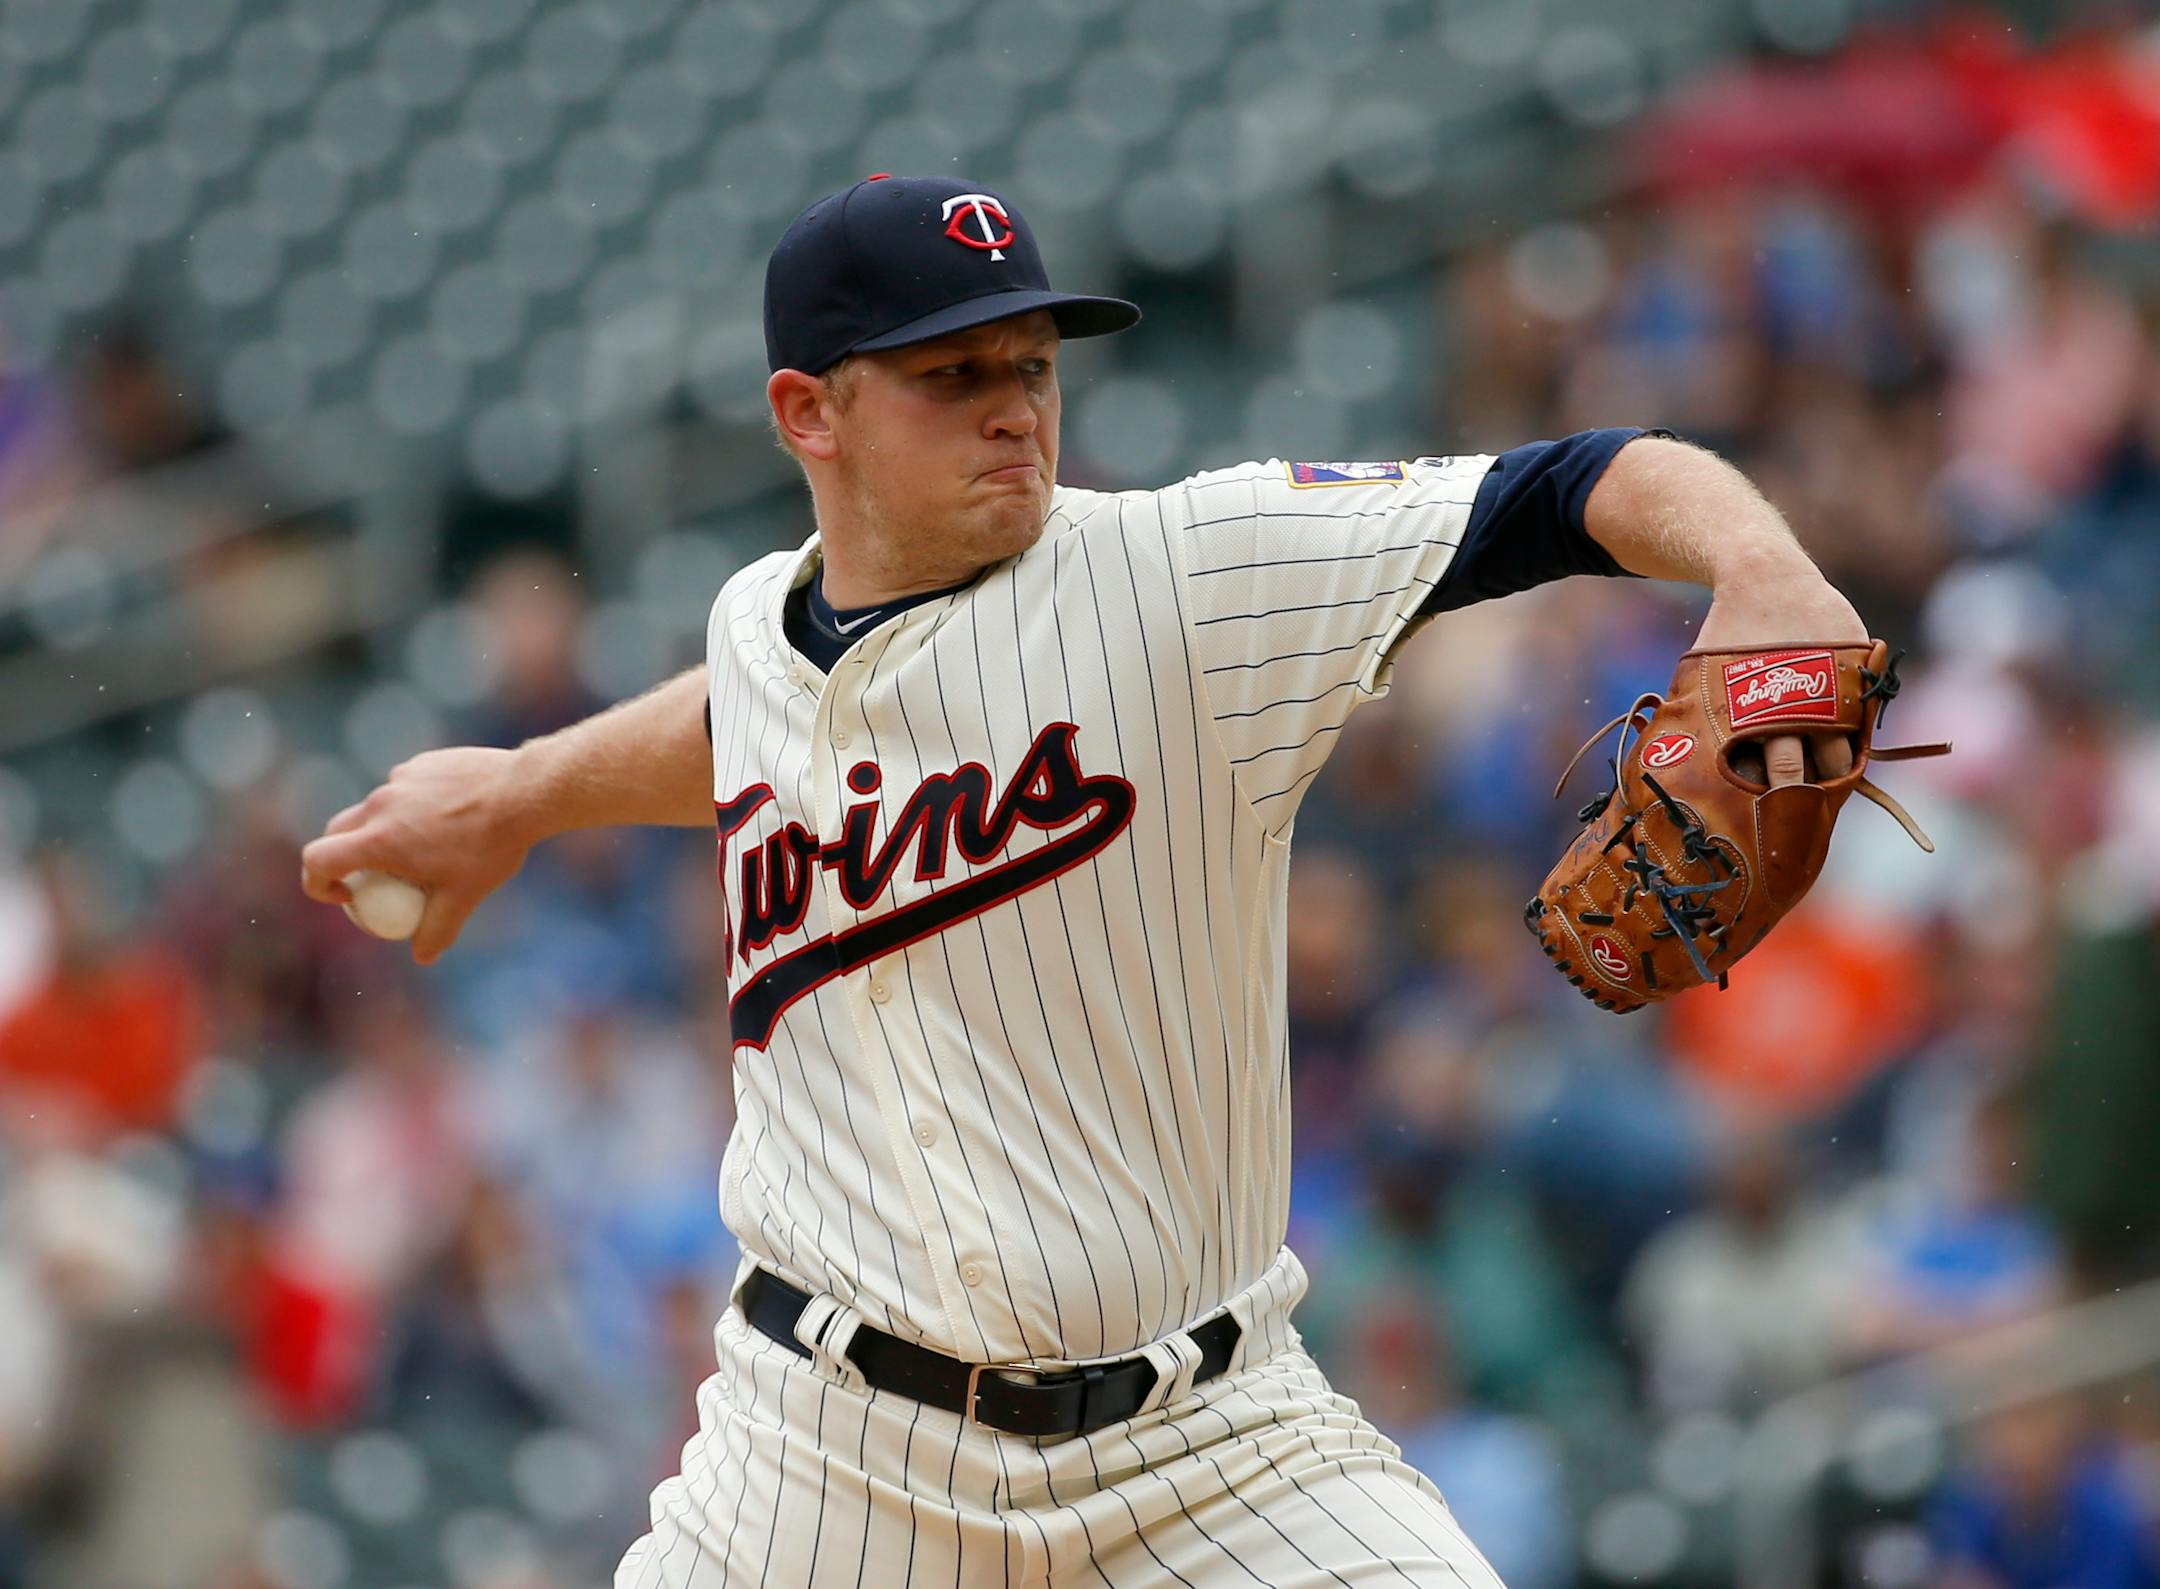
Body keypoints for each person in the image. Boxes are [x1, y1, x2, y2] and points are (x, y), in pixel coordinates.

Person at [301, 175, 1873, 1586]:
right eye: (953, 374)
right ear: (808, 413)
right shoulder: (750, 628)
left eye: (1032, 367)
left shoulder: (1187, 574)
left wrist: (1763, 566)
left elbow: (1573, 483)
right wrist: (512, 796)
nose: (1014, 409)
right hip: (824, 1457)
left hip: (1207, 1451)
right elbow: (734, 720)